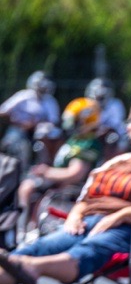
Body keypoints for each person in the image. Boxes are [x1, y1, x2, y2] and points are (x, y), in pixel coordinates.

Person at [0, 97, 131, 284]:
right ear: (129, 128)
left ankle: (33, 266)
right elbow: (85, 198)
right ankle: (19, 262)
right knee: (35, 249)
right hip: (87, 223)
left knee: (89, 249)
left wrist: (121, 215)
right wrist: (74, 215)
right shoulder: (115, 162)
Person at [18, 97, 106, 234]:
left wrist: (47, 172)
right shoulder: (76, 139)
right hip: (58, 184)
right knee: (25, 184)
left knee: (27, 188)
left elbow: (75, 174)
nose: (70, 124)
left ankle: (25, 230)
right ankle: (23, 227)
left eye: (75, 120)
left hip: (69, 189)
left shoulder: (88, 143)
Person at [0, 71, 60, 172]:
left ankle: (44, 168)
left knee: (47, 137)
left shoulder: (50, 101)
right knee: (15, 142)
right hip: (18, 129)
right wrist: (20, 123)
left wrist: (36, 124)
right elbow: (3, 112)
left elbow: (54, 121)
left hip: (38, 133)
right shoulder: (23, 96)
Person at [85, 77, 128, 154]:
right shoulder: (86, 105)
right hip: (91, 135)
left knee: (112, 138)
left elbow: (114, 126)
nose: (100, 95)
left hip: (112, 135)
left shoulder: (115, 104)